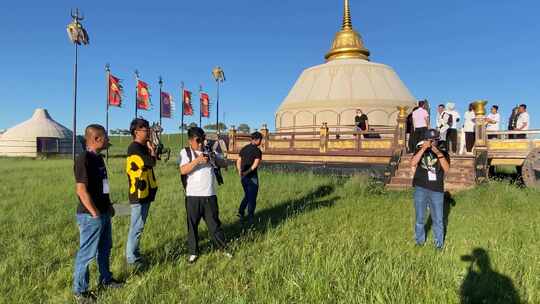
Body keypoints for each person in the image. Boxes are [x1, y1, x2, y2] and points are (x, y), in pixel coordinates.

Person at [73, 124, 123, 303]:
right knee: (86, 254)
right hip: (90, 216)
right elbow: (81, 190)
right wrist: (94, 213)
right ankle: (80, 292)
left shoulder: (99, 159)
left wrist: (108, 206)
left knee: (105, 248)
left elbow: (104, 186)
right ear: (96, 139)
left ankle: (106, 279)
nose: (108, 140)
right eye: (106, 137)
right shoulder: (83, 159)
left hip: (103, 213)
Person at [180, 127, 230, 263]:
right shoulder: (186, 152)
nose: (201, 143)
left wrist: (214, 158)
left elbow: (225, 164)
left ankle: (223, 248)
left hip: (209, 195)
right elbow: (183, 170)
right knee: (192, 226)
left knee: (214, 224)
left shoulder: (210, 151)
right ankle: (193, 252)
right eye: (198, 140)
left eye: (203, 139)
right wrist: (198, 161)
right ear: (190, 140)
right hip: (192, 196)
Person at [125, 118, 158, 269]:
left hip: (146, 191)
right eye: (146, 130)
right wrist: (151, 151)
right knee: (136, 226)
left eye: (148, 129)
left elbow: (153, 161)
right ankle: (131, 258)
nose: (149, 132)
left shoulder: (143, 147)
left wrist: (151, 151)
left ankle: (135, 253)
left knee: (140, 225)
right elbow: (149, 162)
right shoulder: (134, 148)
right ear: (136, 132)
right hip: (138, 192)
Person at [411, 129, 450, 250]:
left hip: (437, 189)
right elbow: (413, 163)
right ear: (426, 140)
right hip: (420, 187)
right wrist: (423, 149)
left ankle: (439, 245)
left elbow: (447, 168)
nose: (433, 142)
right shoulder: (420, 149)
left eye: (435, 140)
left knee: (438, 219)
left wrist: (437, 152)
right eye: (430, 140)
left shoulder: (443, 151)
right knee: (420, 218)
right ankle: (419, 242)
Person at [236, 132, 263, 223]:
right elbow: (255, 165)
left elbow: (238, 161)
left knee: (247, 195)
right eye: (260, 140)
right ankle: (250, 216)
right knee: (252, 198)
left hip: (243, 177)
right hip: (252, 177)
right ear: (257, 139)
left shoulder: (244, 148)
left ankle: (240, 212)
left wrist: (240, 171)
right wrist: (247, 172)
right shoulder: (257, 151)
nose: (261, 142)